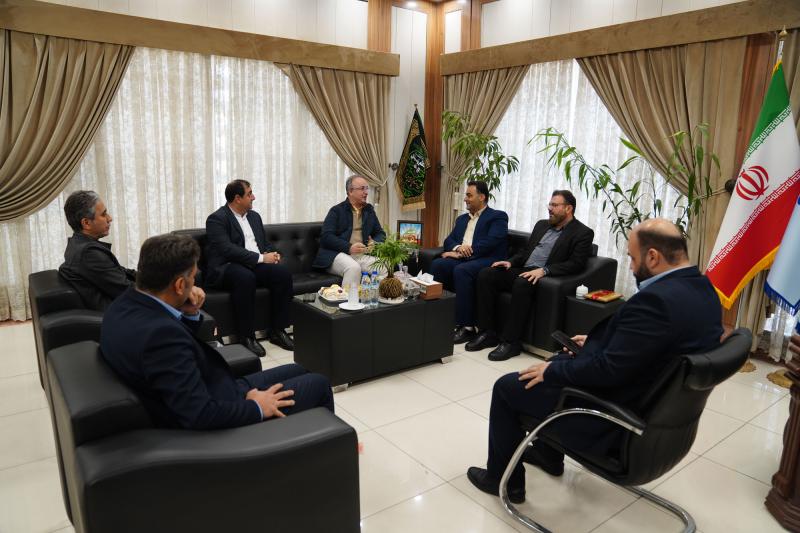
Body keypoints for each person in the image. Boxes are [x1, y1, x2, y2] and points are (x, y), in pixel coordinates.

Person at [466, 219, 723, 503]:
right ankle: (548, 455)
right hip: (661, 421)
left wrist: (553, 371)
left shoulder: (656, 301)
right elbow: (656, 344)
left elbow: (606, 371)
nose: (631, 267)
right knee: (562, 357)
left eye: (632, 258)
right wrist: (601, 341)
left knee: (509, 387)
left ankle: (502, 481)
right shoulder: (704, 291)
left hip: (615, 421)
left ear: (653, 256)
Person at [100, 233, 333, 430]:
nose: (194, 284)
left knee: (299, 368)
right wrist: (255, 406)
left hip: (217, 388)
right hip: (223, 408)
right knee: (319, 384)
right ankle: (323, 446)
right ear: (179, 285)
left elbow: (177, 348)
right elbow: (199, 414)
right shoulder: (159, 337)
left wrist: (189, 312)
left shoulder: (124, 304)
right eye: (193, 277)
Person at [467, 190, 593, 360]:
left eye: (554, 205)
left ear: (568, 208)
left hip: (545, 276)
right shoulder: (542, 225)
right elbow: (526, 251)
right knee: (486, 274)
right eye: (550, 204)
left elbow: (576, 263)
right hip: (524, 269)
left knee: (522, 282)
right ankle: (487, 332)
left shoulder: (582, 232)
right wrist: (510, 262)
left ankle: (511, 342)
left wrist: (545, 270)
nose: (549, 208)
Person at [205, 180, 294, 357]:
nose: (253, 197)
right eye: (249, 194)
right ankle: (246, 336)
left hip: (253, 264)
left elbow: (263, 243)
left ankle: (277, 330)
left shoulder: (254, 217)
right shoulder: (217, 219)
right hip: (228, 266)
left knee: (282, 274)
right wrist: (262, 258)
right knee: (245, 277)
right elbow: (227, 250)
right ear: (237, 198)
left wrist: (272, 253)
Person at [429, 180, 508, 344]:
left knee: (462, 270)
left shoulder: (497, 216)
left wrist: (464, 253)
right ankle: (440, 317)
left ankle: (467, 327)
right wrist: (458, 248)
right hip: (465, 258)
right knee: (438, 265)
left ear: (482, 197)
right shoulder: (462, 219)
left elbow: (491, 242)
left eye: (469, 195)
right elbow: (449, 240)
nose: (465, 199)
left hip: (487, 259)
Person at [58, 190, 136, 311]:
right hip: (121, 313)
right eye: (104, 214)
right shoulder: (89, 253)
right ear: (86, 223)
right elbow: (127, 290)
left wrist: (153, 277)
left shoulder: (78, 244)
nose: (110, 218)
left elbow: (121, 271)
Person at [313, 175, 386, 288]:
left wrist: (374, 243)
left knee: (383, 266)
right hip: (336, 254)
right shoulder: (336, 211)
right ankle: (349, 299)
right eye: (362, 188)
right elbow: (326, 237)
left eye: (367, 188)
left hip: (360, 255)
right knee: (353, 268)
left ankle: (371, 295)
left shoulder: (369, 210)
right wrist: (349, 247)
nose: (366, 192)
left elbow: (380, 233)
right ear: (350, 191)